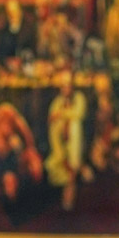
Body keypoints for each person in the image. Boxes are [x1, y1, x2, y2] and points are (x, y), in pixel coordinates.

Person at [45, 70, 88, 210]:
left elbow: (79, 113)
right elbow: (52, 117)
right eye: (63, 86)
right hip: (60, 142)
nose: (66, 89)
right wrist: (61, 121)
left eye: (68, 85)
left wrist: (62, 115)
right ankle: (67, 169)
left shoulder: (79, 98)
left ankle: (74, 170)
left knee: (75, 125)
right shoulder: (57, 102)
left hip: (75, 141)